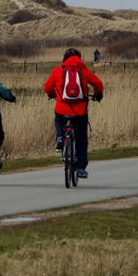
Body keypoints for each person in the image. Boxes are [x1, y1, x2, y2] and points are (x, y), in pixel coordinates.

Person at [43, 48, 104, 179]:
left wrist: (54, 95)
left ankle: (60, 137)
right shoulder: (84, 71)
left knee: (59, 120)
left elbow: (47, 87)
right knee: (81, 138)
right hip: (80, 112)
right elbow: (98, 84)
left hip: (62, 109)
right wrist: (97, 95)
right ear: (79, 58)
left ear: (64, 58)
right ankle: (81, 168)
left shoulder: (58, 71)